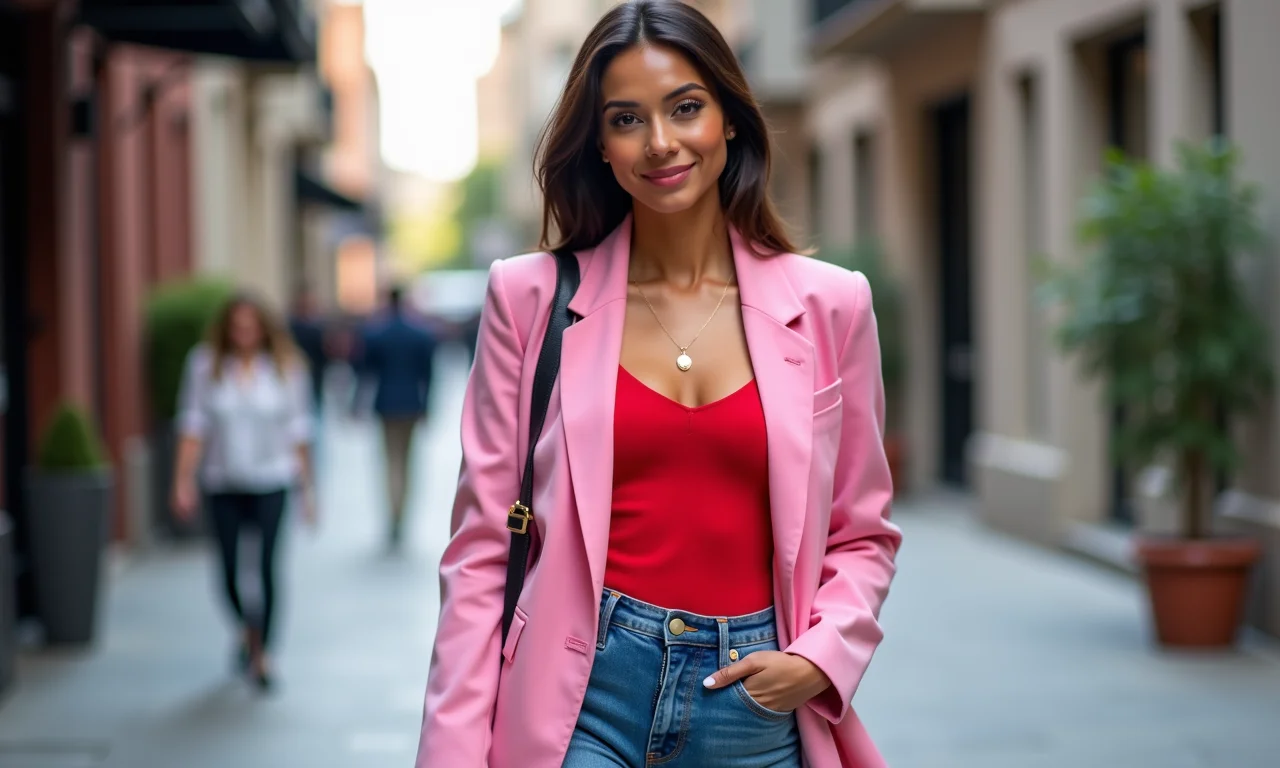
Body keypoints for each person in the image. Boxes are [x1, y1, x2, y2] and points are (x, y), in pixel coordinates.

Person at [416, 2, 902, 766]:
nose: (661, 142)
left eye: (685, 108)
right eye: (626, 119)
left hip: (755, 701)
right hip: (580, 699)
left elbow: (862, 531)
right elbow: (480, 550)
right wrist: (448, 753)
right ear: (600, 145)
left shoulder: (831, 305)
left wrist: (819, 658)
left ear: (730, 120)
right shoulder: (529, 298)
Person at [171, 292, 317, 692]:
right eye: (236, 327)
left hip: (273, 480)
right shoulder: (205, 366)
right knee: (227, 573)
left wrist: (309, 492)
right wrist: (181, 481)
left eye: (251, 326)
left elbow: (300, 431)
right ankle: (246, 628)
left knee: (268, 567)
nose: (244, 334)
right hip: (223, 482)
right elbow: (192, 425)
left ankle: (263, 655)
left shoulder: (286, 368)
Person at [356, 285, 438, 549]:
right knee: (407, 463)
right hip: (411, 404)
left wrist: (356, 404)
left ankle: (393, 514)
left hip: (386, 405)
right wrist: (427, 406)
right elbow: (429, 375)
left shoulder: (376, 333)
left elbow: (365, 373)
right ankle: (400, 515)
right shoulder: (419, 333)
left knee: (391, 462)